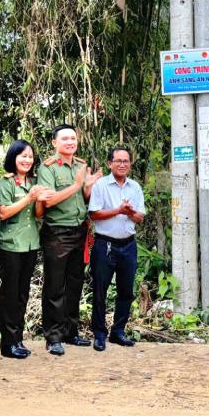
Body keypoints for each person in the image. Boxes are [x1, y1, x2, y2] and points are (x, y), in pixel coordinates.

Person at [36, 124, 102, 355]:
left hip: (79, 230)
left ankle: (71, 332)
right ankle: (53, 336)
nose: (70, 142)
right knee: (55, 286)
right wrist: (76, 185)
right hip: (57, 232)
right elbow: (48, 201)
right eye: (65, 138)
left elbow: (82, 198)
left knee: (75, 284)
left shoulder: (82, 165)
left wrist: (88, 187)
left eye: (73, 138)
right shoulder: (48, 167)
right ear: (55, 143)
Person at [88, 145, 147, 351]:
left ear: (130, 164)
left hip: (128, 245)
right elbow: (94, 214)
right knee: (100, 290)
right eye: (118, 161)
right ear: (109, 163)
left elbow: (140, 217)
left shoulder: (135, 187)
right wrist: (118, 210)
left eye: (126, 161)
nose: (122, 164)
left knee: (126, 290)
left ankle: (118, 331)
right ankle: (99, 333)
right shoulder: (101, 185)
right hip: (105, 244)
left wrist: (129, 212)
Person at [0, 140, 46, 359]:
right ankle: (7, 343)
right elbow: (4, 213)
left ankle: (18, 339)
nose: (27, 160)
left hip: (31, 243)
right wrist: (29, 197)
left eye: (30, 156)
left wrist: (39, 200)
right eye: (22, 156)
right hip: (11, 245)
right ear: (13, 158)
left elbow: (38, 214)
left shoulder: (34, 181)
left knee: (23, 293)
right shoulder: (6, 182)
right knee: (10, 294)